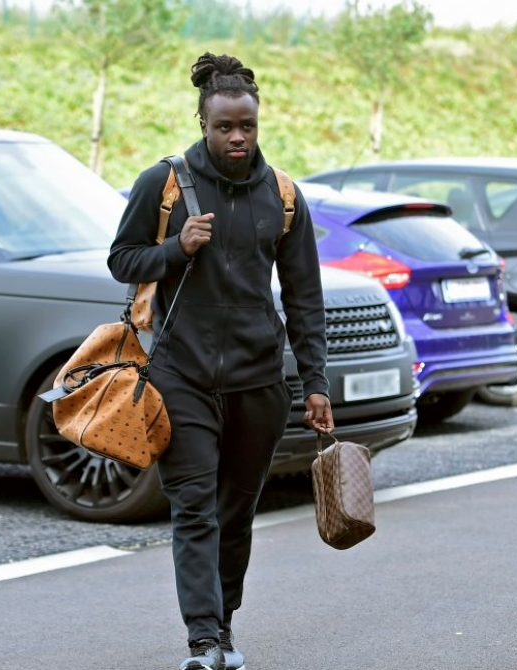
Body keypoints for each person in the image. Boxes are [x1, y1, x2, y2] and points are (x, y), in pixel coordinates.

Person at [108, 52, 334, 670]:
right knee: (194, 505)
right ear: (203, 123)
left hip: (259, 380)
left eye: (247, 127)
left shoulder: (284, 195)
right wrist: (176, 249)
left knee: (236, 513)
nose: (236, 138)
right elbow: (123, 259)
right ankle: (203, 641)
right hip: (180, 374)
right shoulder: (165, 183)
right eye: (223, 127)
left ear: (258, 124)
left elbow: (304, 296)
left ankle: (225, 625)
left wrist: (315, 381)